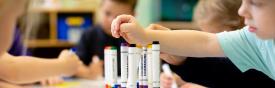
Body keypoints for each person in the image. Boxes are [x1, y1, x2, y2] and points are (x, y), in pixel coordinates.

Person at [110, 0, 275, 87]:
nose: (242, 11)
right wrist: (146, 35)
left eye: (255, 2)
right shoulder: (256, 40)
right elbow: (205, 42)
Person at [0, 0, 79, 86]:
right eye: (14, 17)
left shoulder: (15, 35)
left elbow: (22, 72)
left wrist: (41, 72)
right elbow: (12, 69)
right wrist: (63, 65)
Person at [74, 0, 137, 79]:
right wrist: (88, 72)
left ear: (133, 15)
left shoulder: (135, 38)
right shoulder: (89, 35)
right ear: (100, 9)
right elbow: (73, 66)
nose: (112, 21)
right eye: (107, 13)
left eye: (119, 17)